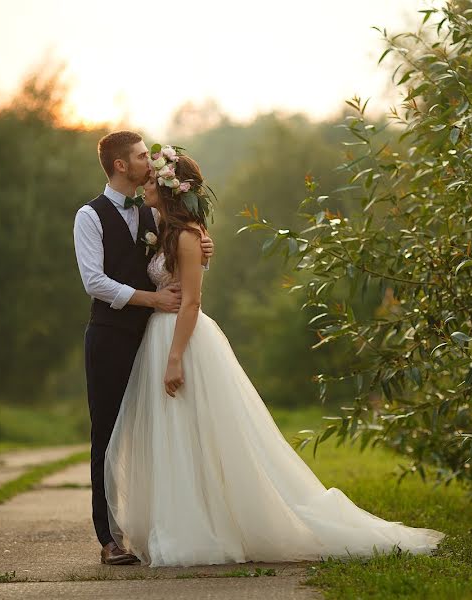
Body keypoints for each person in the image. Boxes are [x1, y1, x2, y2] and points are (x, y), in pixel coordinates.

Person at [104, 147, 446, 567]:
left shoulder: (188, 237)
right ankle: (178, 518)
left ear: (174, 191)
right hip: (157, 336)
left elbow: (191, 303)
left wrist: (175, 357)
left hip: (182, 340)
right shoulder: (166, 229)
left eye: (155, 182)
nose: (146, 188)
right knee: (175, 436)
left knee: (198, 431)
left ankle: (208, 525)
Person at [73, 131, 215, 565]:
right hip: (112, 337)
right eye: (139, 156)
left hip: (156, 337)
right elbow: (93, 281)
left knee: (161, 434)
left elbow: (181, 260)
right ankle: (108, 538)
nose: (147, 162)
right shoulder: (90, 216)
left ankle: (162, 525)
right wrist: (149, 299)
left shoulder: (154, 213)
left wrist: (207, 248)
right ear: (120, 165)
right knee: (108, 433)